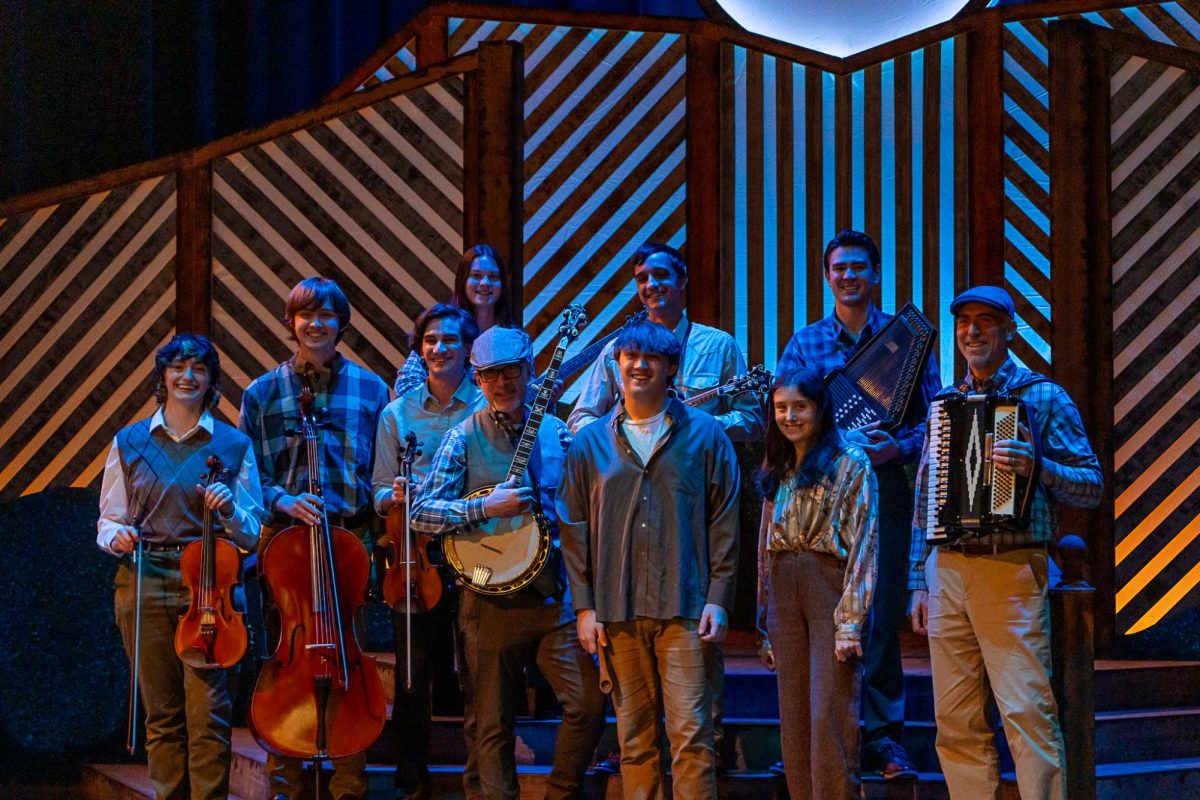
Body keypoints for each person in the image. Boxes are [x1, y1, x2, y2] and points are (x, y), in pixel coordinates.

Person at [567, 241, 760, 766]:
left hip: (690, 509)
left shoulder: (718, 347)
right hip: (624, 524)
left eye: (661, 276)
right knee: (636, 730)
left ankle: (711, 738)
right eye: (642, 279)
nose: (651, 286)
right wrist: (620, 433)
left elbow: (753, 419)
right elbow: (581, 419)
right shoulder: (616, 350)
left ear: (682, 282)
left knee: (695, 706)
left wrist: (694, 433)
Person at [908, 285, 1103, 800]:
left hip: (1010, 565)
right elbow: (926, 494)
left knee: (1025, 710)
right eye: (964, 322)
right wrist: (916, 579)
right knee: (955, 719)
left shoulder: (1043, 395)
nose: (972, 331)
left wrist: (1037, 467)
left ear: (1009, 330)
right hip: (946, 567)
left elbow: (1092, 483)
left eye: (985, 321)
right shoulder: (945, 401)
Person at [410, 326, 606, 800]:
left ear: (530, 372)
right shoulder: (462, 437)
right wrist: (483, 508)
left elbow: (583, 513)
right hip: (489, 598)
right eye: (491, 375)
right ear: (477, 380)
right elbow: (420, 514)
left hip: (554, 598)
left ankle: (561, 790)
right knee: (491, 723)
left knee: (588, 703)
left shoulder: (559, 434)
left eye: (511, 372)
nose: (503, 384)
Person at [775, 229, 939, 779]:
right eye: (838, 268)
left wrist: (900, 445)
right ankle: (822, 735)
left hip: (888, 489)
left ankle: (885, 738)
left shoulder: (906, 344)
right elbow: (784, 419)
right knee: (827, 617)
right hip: (821, 500)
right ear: (828, 277)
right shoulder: (804, 345)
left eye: (857, 268)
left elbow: (933, 424)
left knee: (880, 611)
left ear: (875, 276)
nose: (847, 276)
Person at [558, 318, 741, 800]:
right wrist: (584, 607)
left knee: (692, 739)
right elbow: (573, 530)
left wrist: (719, 598)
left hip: (685, 607)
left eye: (651, 359)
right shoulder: (589, 443)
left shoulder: (706, 436)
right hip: (616, 611)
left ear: (671, 368)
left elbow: (725, 523)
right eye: (630, 357)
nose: (639, 366)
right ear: (616, 366)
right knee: (634, 742)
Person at [238, 277, 391, 800]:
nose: (316, 323)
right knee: (286, 662)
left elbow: (381, 467)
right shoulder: (260, 394)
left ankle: (349, 784)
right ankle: (288, 784)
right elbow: (247, 473)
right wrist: (283, 500)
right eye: (306, 315)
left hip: (350, 540)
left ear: (341, 323)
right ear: (291, 324)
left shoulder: (372, 389)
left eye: (327, 315)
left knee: (351, 657)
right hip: (286, 544)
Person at [98, 333, 264, 800]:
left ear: (211, 381)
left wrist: (229, 509)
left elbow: (251, 532)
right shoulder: (130, 441)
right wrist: (117, 536)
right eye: (178, 368)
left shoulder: (232, 444)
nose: (187, 377)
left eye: (198, 369)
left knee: (209, 711)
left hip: (209, 586)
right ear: (163, 377)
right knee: (162, 712)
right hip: (145, 579)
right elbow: (108, 519)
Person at [371, 304, 485, 800]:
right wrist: (392, 494)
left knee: (477, 672)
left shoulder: (485, 407)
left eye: (450, 340)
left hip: (474, 549)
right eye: (430, 340)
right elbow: (375, 492)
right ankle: (411, 780)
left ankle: (480, 775)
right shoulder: (396, 413)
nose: (439, 349)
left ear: (467, 349)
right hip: (413, 558)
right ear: (420, 349)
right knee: (412, 676)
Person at [756, 366, 878, 800]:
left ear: (820, 410)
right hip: (784, 587)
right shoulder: (780, 464)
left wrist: (849, 622)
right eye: (781, 408)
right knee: (794, 717)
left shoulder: (851, 461)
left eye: (800, 407)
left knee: (829, 714)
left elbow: (865, 543)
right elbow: (764, 548)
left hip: (828, 584)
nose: (790, 417)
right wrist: (763, 618)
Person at [394, 243, 516, 397]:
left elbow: (524, 396)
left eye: (493, 277)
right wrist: (448, 409)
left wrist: (546, 399)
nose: (485, 283)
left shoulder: (514, 337)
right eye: (476, 276)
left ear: (502, 284)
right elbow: (405, 384)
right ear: (463, 281)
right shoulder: (445, 326)